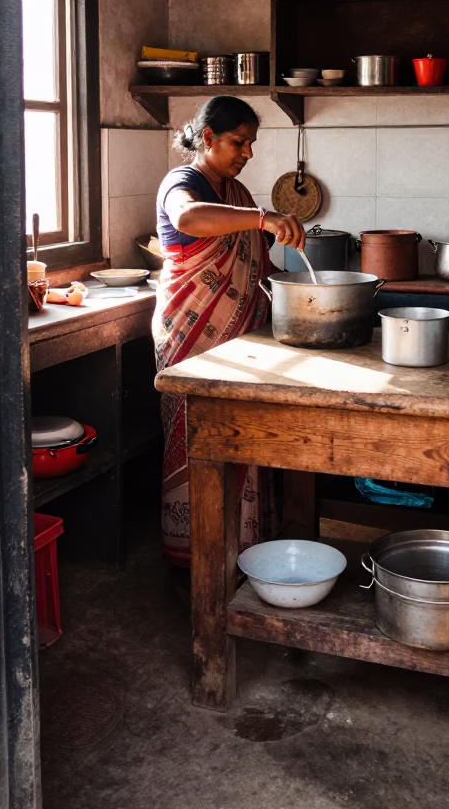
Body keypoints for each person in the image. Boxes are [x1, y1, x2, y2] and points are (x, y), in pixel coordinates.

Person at [153, 95, 306, 567]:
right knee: (197, 445)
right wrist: (265, 218)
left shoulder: (235, 194)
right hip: (191, 337)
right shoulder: (183, 183)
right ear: (207, 138)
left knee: (241, 440)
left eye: (251, 143)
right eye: (239, 142)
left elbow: (255, 260)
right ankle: (193, 562)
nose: (248, 153)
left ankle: (240, 557)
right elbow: (186, 218)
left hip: (241, 342)